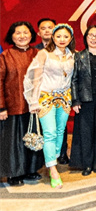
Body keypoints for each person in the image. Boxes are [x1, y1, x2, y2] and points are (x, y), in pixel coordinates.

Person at [23, 23, 76, 189]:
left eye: (65, 36)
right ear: (53, 37)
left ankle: (51, 160)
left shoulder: (73, 55)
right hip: (46, 98)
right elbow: (34, 78)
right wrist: (33, 101)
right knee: (50, 132)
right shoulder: (44, 54)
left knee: (60, 132)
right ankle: (53, 170)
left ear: (71, 39)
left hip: (65, 98)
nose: (62, 39)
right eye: (58, 36)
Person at [0, 22, 43, 186]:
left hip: (35, 106)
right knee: (14, 142)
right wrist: (1, 107)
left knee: (33, 137)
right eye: (18, 33)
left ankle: (31, 169)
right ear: (11, 36)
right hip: (13, 105)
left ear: (32, 35)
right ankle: (14, 173)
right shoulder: (5, 56)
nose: (22, 36)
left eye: (26, 32)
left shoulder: (38, 54)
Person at [70, 25, 96, 176]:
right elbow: (74, 80)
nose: (94, 38)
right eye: (91, 35)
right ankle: (86, 164)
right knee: (85, 132)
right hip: (85, 100)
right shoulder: (78, 56)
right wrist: (75, 100)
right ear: (86, 38)